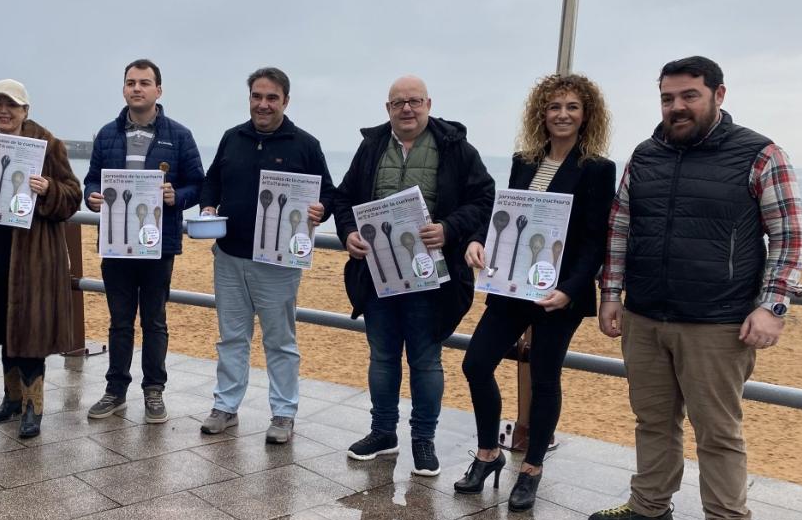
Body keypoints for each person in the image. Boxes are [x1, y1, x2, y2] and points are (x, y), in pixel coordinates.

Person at [588, 56, 802, 520]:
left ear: (718, 95)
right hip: (645, 315)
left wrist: (772, 306)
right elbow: (620, 229)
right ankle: (650, 510)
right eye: (667, 98)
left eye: (689, 96)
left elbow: (791, 238)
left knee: (719, 433)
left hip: (718, 323)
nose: (677, 107)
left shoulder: (760, 154)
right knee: (653, 422)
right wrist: (611, 295)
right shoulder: (645, 155)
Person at [454, 74, 615, 510]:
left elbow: (593, 240)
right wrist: (478, 241)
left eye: (572, 107)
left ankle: (532, 469)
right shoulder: (523, 161)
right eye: (554, 106)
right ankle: (488, 454)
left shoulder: (598, 168)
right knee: (476, 363)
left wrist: (569, 290)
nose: (562, 114)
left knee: (545, 378)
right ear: (541, 113)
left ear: (586, 115)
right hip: (510, 287)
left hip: (558, 295)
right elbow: (505, 219)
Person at [334, 75, 494, 475]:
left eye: (415, 101)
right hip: (378, 276)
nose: (407, 109)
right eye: (398, 103)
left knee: (425, 362)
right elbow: (342, 198)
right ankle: (382, 433)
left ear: (429, 104)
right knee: (383, 358)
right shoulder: (371, 147)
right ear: (387, 108)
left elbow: (484, 199)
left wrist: (450, 228)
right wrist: (347, 233)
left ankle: (423, 440)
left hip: (432, 279)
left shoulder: (457, 149)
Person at [199, 67, 336, 444]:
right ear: (249, 99)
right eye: (257, 97)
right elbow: (211, 181)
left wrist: (321, 209)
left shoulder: (305, 144)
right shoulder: (231, 139)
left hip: (279, 262)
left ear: (285, 101)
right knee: (231, 338)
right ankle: (225, 407)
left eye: (271, 97)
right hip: (228, 256)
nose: (263, 104)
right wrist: (208, 207)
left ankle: (283, 413)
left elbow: (330, 193)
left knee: (280, 340)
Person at [0, 80, 82, 437]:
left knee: (29, 329)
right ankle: (11, 398)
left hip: (33, 255)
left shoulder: (48, 143)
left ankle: (33, 406)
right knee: (1, 323)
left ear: (26, 110)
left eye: (11, 105)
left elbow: (73, 196)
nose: (3, 111)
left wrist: (49, 189)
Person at [83, 60, 204, 423]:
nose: (137, 88)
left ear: (158, 90)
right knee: (119, 321)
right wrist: (91, 196)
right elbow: (90, 180)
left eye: (145, 83)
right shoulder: (106, 134)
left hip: (159, 243)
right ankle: (115, 390)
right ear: (123, 89)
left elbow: (199, 184)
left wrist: (176, 198)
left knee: (154, 322)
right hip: (116, 242)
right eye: (131, 83)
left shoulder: (179, 135)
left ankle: (154, 390)